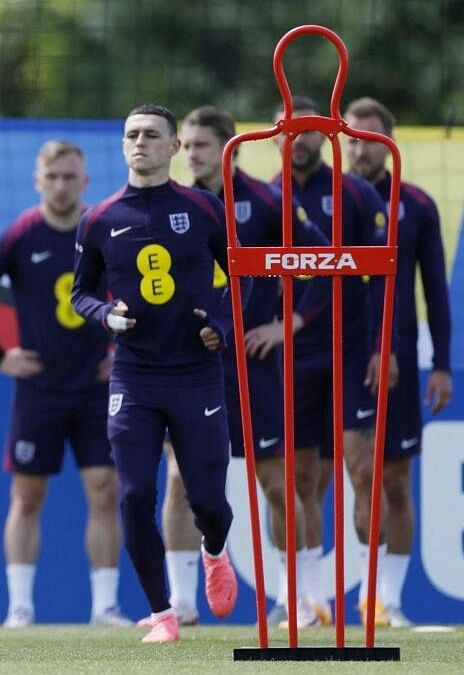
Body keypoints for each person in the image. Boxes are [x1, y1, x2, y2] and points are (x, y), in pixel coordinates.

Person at [151, 106, 332, 629]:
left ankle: (295, 601)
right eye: (187, 144)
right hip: (188, 363)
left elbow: (322, 259)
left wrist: (289, 322)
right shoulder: (166, 205)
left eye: (204, 144)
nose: (194, 154)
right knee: (181, 479)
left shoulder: (268, 201)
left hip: (253, 365)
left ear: (232, 146)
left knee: (277, 481)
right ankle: (180, 603)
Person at [71, 104, 241, 643]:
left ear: (173, 148)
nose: (139, 142)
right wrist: (105, 315)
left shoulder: (205, 208)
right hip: (136, 377)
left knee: (209, 502)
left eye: (151, 135)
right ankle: (163, 613)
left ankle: (215, 550)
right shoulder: (99, 218)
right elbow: (81, 292)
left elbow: (245, 278)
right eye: (131, 135)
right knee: (134, 494)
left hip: (196, 374)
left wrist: (221, 324)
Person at [0, 140, 129, 628]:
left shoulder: (104, 228)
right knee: (28, 495)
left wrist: (122, 354)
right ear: (37, 181)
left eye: (69, 177)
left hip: (94, 386)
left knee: (103, 488)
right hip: (40, 389)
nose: (60, 185)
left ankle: (105, 605)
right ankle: (20, 608)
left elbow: (141, 292)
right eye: (51, 177)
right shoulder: (21, 233)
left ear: (84, 182)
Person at [272, 96, 393, 626]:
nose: (299, 139)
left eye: (309, 130)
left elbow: (386, 279)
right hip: (291, 355)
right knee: (300, 481)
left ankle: (375, 598)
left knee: (364, 471)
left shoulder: (357, 194)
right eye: (289, 129)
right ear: (275, 133)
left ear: (326, 134)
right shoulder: (259, 197)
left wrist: (381, 346)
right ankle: (307, 600)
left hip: (351, 347)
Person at [346, 96, 452, 628]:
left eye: (370, 138)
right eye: (353, 138)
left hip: (399, 357)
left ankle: (386, 599)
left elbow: (435, 287)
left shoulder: (417, 204)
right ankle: (310, 596)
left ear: (389, 143)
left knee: (393, 479)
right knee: (346, 473)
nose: (360, 147)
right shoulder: (324, 200)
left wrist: (442, 364)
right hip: (337, 356)